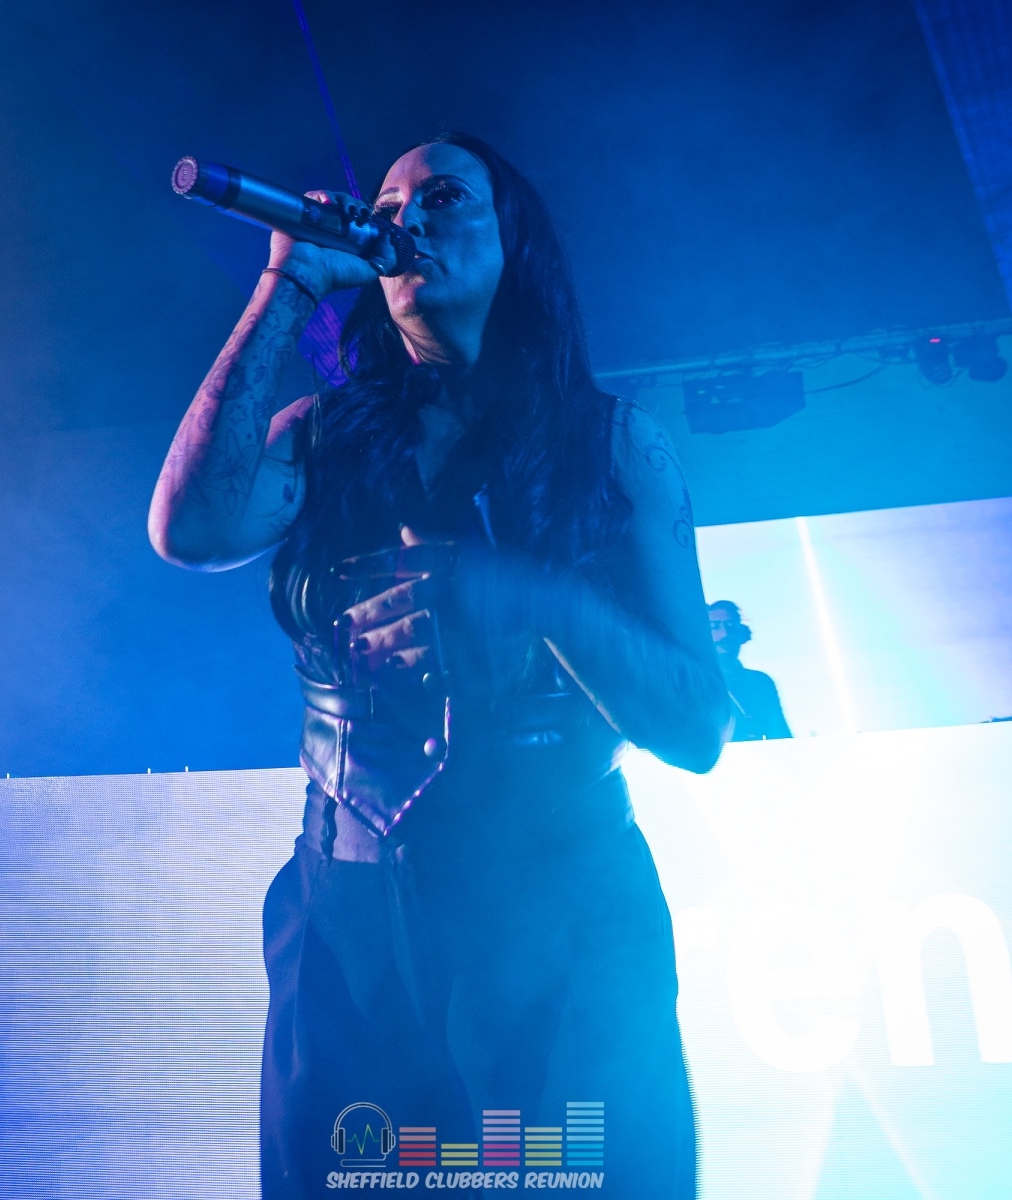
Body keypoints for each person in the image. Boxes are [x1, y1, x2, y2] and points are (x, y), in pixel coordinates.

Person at [149, 132, 729, 1200]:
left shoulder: (617, 446)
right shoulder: (321, 436)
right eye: (386, 202)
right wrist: (288, 285)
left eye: (445, 195)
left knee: (568, 1178)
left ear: (516, 243)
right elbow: (188, 529)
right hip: (354, 921)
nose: (406, 216)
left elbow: (699, 727)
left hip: (559, 913)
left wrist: (538, 600)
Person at [707, 600, 792, 741]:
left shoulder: (761, 683)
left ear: (742, 634)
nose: (724, 634)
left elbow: (780, 736)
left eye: (731, 626)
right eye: (715, 626)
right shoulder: (692, 684)